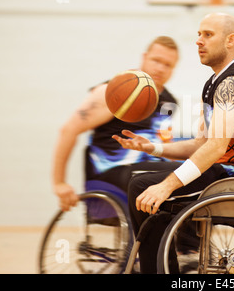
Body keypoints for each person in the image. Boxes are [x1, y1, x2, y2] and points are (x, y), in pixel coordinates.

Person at [113, 13, 234, 273]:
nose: (198, 41)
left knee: (144, 187)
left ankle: (158, 269)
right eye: (198, 34)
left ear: (231, 40)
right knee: (140, 179)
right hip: (227, 172)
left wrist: (166, 186)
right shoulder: (217, 82)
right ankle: (163, 266)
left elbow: (214, 149)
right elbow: (202, 143)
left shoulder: (233, 82)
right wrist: (152, 147)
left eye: (208, 34)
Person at [52, 36, 181, 212]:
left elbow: (166, 146)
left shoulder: (168, 102)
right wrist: (59, 183)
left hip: (148, 173)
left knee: (190, 174)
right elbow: (68, 130)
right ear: (144, 58)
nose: (160, 68)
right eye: (156, 60)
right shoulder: (116, 91)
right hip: (112, 173)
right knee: (171, 175)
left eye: (168, 65)